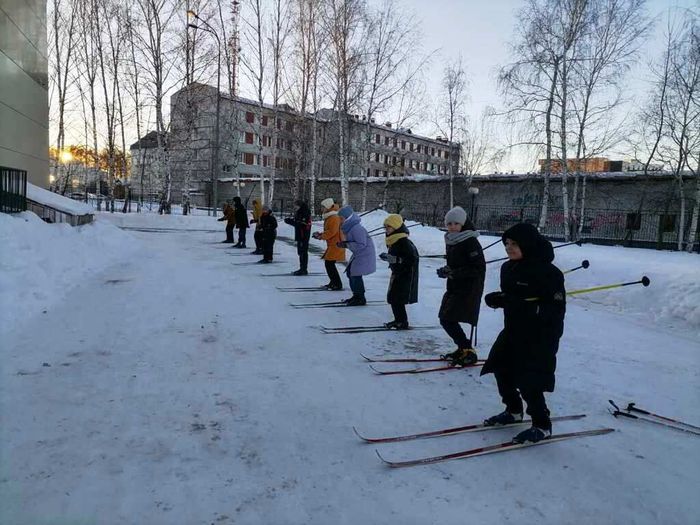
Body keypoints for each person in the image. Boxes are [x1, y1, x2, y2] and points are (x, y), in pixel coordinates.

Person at [481, 223, 566, 444]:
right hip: (513, 329)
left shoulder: (549, 273)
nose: (509, 248)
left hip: (540, 335)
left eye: (514, 244)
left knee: (529, 380)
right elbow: (513, 297)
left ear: (528, 244)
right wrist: (500, 299)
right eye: (507, 243)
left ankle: (541, 424)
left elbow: (554, 310)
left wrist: (520, 304)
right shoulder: (509, 268)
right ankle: (513, 411)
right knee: (501, 368)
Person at [436, 206, 486, 367]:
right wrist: (446, 270)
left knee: (447, 318)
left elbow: (477, 268)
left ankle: (468, 350)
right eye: (449, 223)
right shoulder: (452, 239)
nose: (452, 226)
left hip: (468, 288)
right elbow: (455, 264)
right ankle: (463, 348)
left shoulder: (470, 241)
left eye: (456, 223)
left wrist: (454, 273)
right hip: (455, 285)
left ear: (463, 224)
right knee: (446, 317)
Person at [378, 214, 419, 330]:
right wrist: (389, 257)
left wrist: (393, 259)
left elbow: (412, 259)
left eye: (389, 227)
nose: (386, 230)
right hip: (398, 273)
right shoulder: (394, 239)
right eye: (385, 227)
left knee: (397, 299)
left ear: (396, 227)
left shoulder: (403, 241)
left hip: (405, 275)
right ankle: (399, 320)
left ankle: (402, 321)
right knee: (394, 298)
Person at [336, 205, 376, 306]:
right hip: (359, 254)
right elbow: (355, 242)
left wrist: (346, 244)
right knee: (351, 273)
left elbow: (361, 244)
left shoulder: (356, 228)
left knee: (355, 274)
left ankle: (360, 298)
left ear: (346, 218)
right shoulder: (351, 227)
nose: (340, 220)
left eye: (341, 218)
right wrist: (345, 244)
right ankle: (356, 296)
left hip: (364, 254)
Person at [312, 198, 345, 290]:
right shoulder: (330, 216)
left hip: (336, 244)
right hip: (333, 243)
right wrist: (320, 235)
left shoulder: (334, 217)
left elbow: (332, 232)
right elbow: (329, 231)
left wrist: (320, 236)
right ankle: (333, 282)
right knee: (329, 264)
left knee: (329, 264)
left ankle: (337, 284)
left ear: (328, 207)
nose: (321, 209)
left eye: (323, 207)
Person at [284, 200, 312, 276]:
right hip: (300, 235)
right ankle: (302, 268)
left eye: (296, 206)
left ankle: (303, 269)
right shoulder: (300, 212)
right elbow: (298, 222)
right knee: (300, 252)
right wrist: (291, 221)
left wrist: (291, 222)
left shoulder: (304, 212)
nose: (295, 207)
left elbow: (302, 224)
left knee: (303, 252)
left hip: (303, 235)